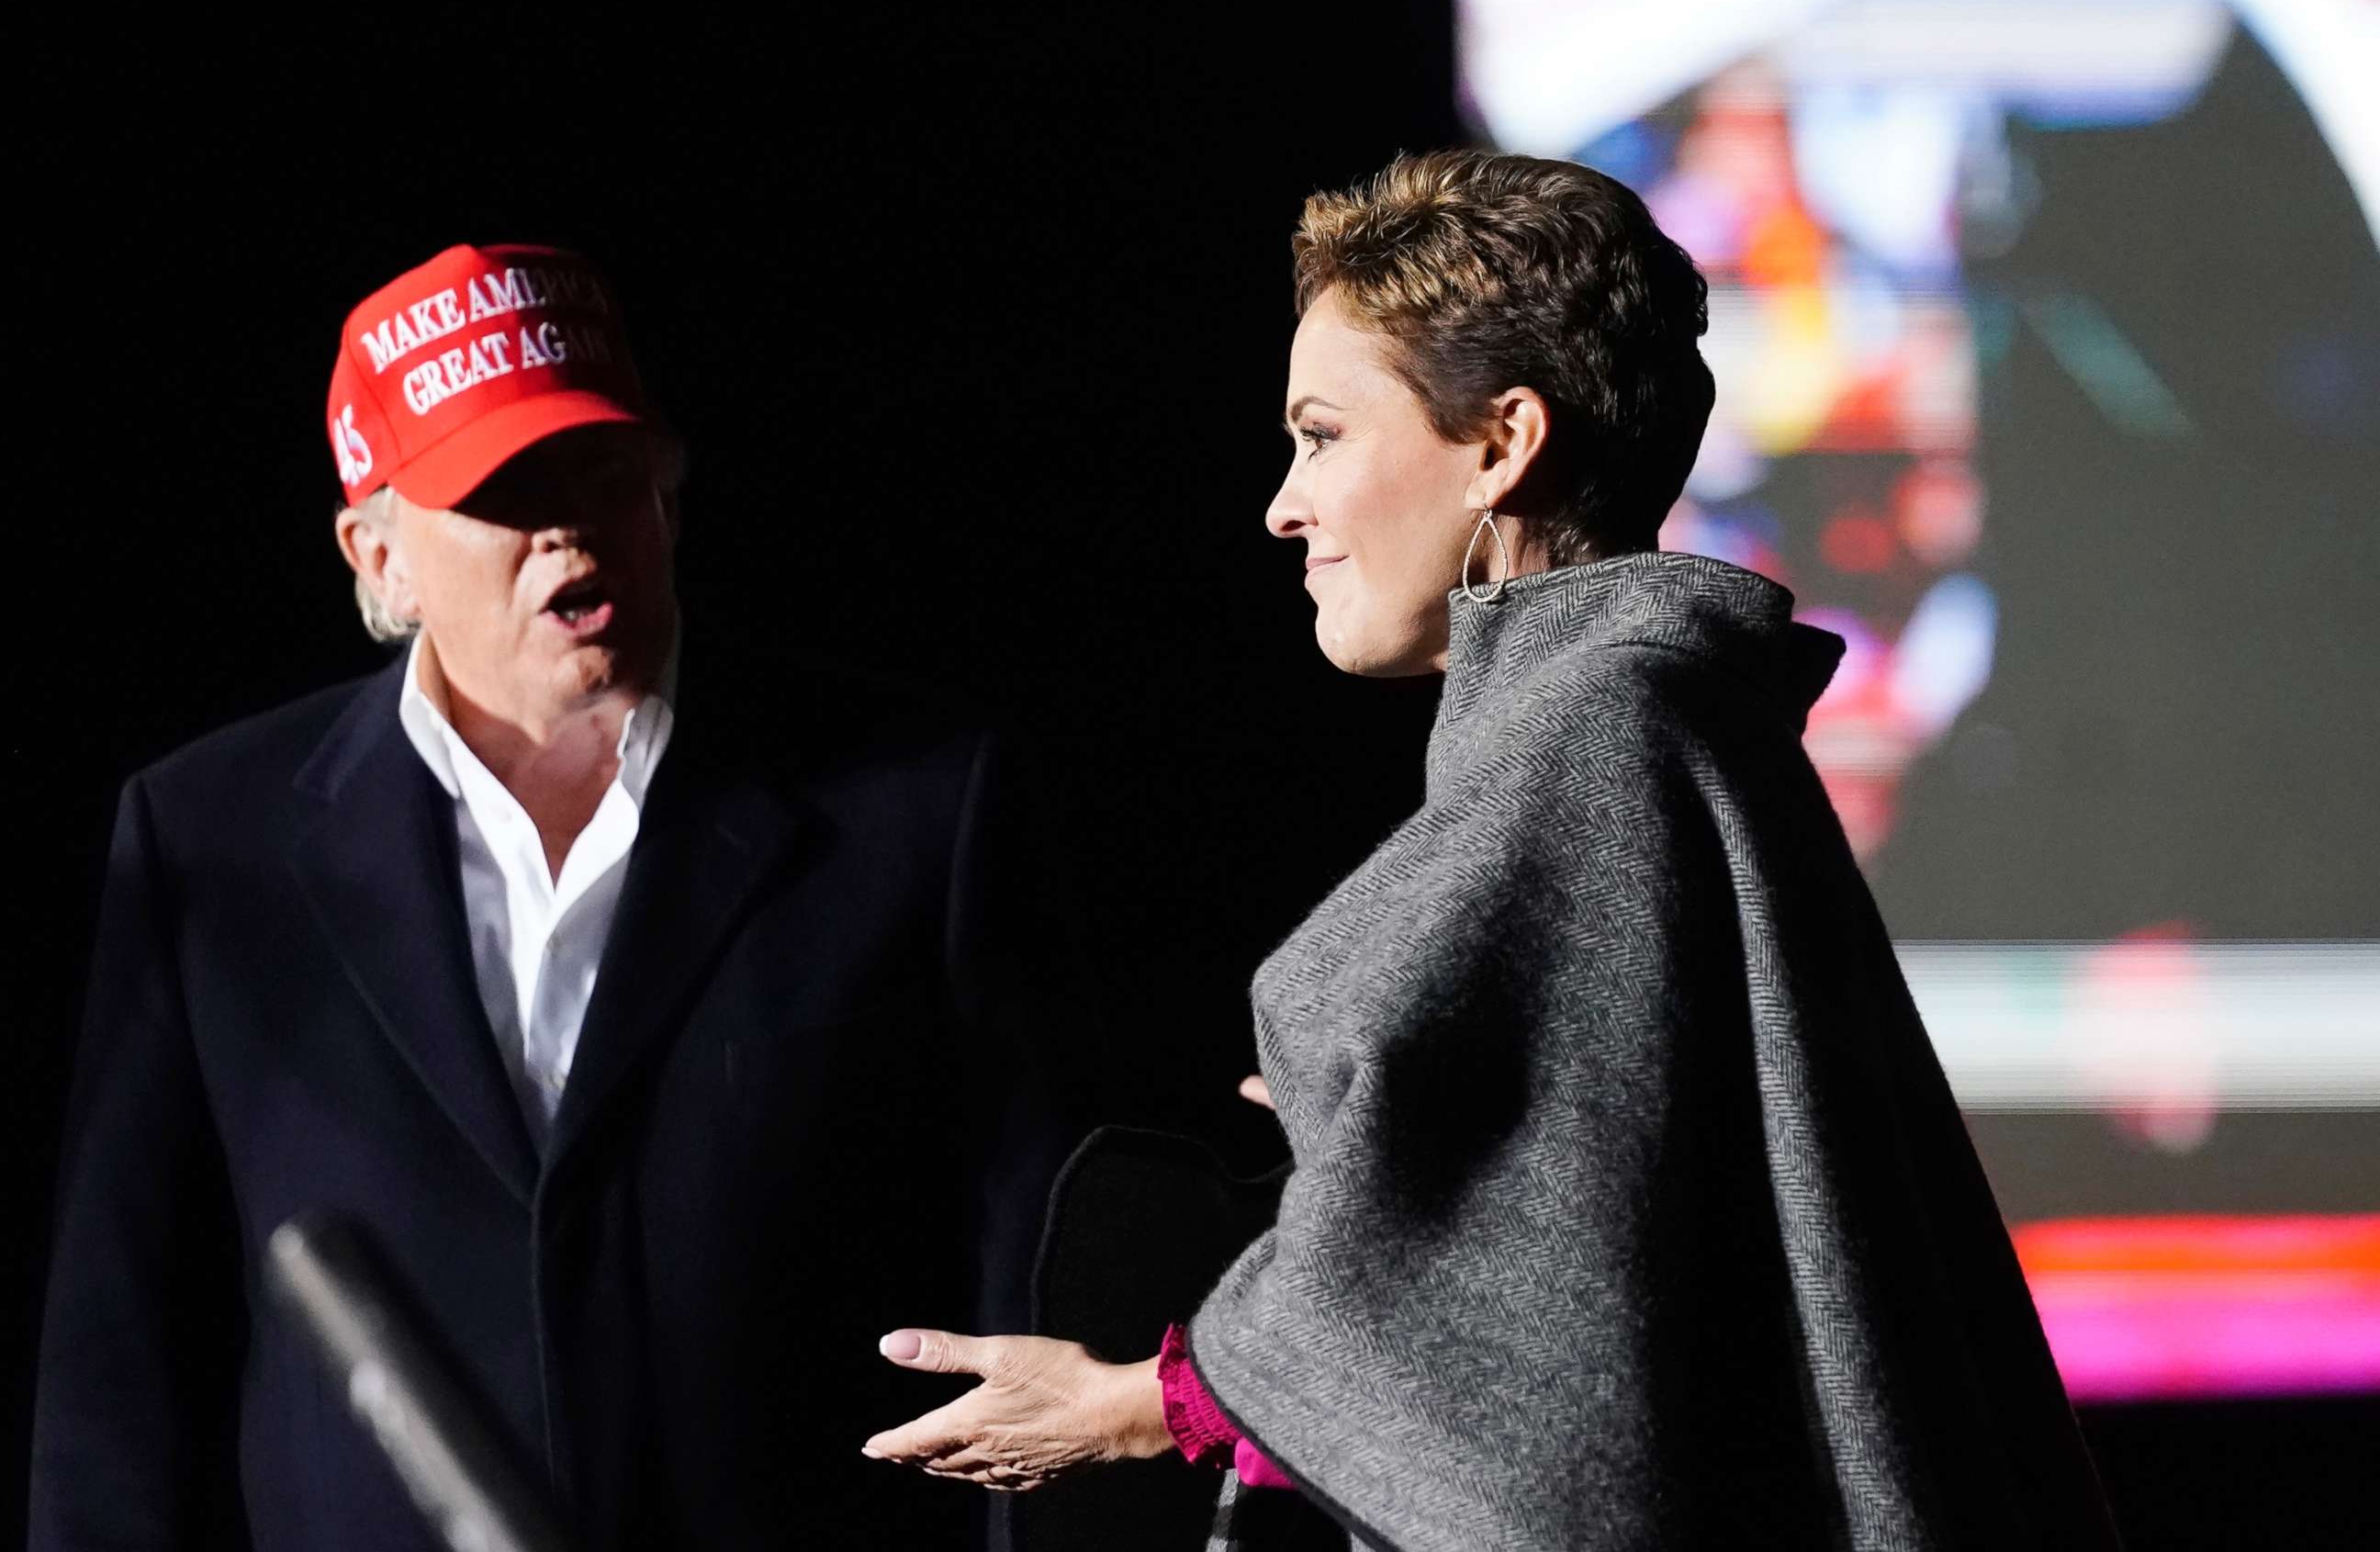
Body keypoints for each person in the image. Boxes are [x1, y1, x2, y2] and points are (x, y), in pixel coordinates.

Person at [859, 152, 2122, 1550]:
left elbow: (1554, 1389)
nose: (1286, 504)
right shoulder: (1650, 717)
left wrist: (1155, 1401)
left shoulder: (1602, 731)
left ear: (1501, 445)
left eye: (1324, 436)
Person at [29, 243, 1066, 1549]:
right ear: (382, 557)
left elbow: (1027, 1281)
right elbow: (117, 1349)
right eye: (505, 489)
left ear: (669, 498)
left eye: (601, 469)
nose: (569, 526)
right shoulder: (204, 839)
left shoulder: (913, 805)